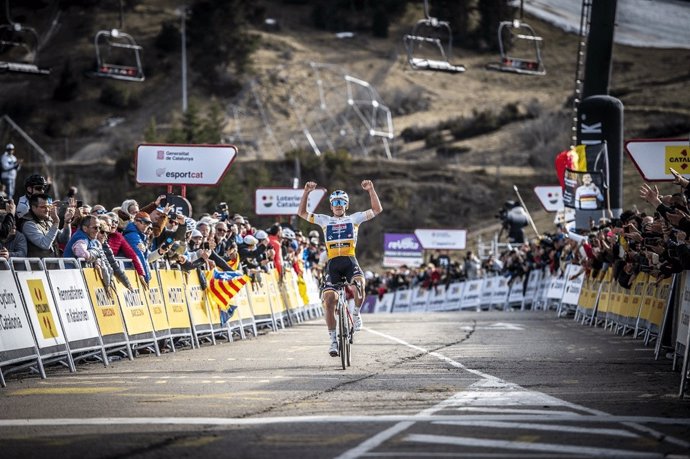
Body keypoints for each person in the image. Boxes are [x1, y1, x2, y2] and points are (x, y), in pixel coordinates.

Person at [297, 179, 382, 357]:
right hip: (333, 264)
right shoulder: (324, 220)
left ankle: (357, 315)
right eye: (334, 203)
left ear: (346, 205)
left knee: (359, 283)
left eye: (341, 202)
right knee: (329, 301)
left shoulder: (354, 218)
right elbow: (302, 212)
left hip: (350, 261)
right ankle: (333, 340)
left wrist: (371, 190)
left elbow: (376, 210)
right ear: (331, 206)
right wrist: (306, 192)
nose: (337, 205)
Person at [19, 193, 75, 258]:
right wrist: (56, 222)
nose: (47, 210)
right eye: (43, 207)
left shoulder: (47, 221)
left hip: (53, 265)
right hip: (38, 267)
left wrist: (67, 221)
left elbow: (64, 240)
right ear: (33, 207)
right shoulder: (28, 224)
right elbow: (45, 244)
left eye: (48, 206)